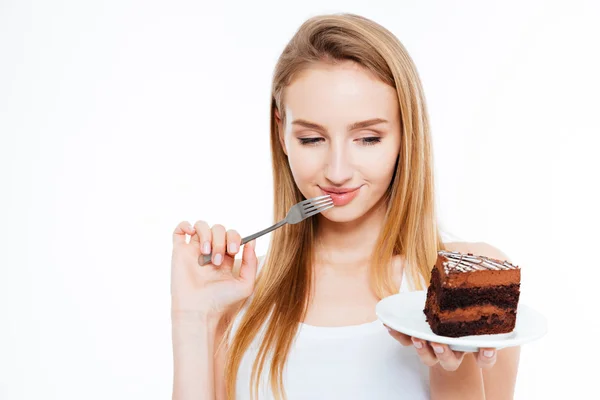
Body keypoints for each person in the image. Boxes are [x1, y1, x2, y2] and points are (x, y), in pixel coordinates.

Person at [170, 13, 520, 400]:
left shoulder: (475, 286)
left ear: (406, 134)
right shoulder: (238, 296)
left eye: (368, 138)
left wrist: (454, 367)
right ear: (281, 133)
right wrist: (192, 318)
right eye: (311, 139)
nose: (337, 171)